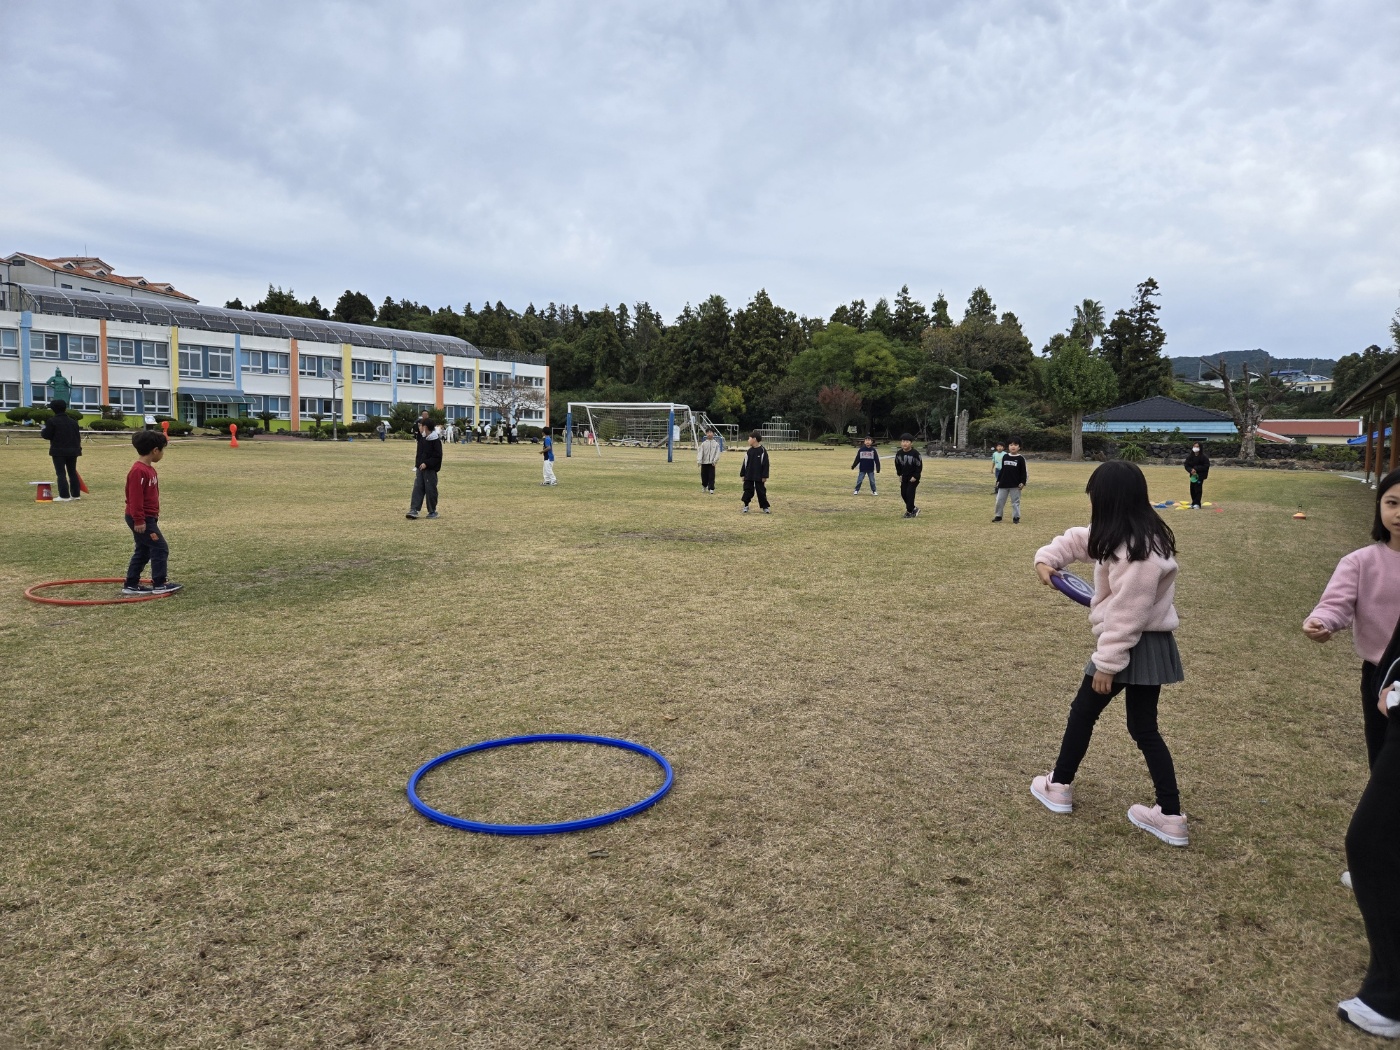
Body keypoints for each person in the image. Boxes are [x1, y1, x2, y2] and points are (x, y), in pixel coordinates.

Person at [1029, 460, 1187, 846]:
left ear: (1109, 501)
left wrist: (1108, 664)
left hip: (1131, 644)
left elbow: (1127, 613)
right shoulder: (1130, 534)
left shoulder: (1139, 552)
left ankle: (1060, 786)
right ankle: (1169, 814)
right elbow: (1081, 539)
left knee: (1088, 713)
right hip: (1143, 645)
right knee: (1142, 727)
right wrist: (1047, 558)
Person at [1305, 470, 1400, 889]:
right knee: (1385, 770)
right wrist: (1321, 622)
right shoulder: (1362, 561)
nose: (1399, 513)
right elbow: (1336, 605)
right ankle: (1377, 863)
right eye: (1393, 502)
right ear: (1380, 507)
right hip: (1381, 681)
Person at [122, 430, 181, 595]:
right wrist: (139, 520)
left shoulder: (149, 469)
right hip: (141, 518)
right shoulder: (138, 471)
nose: (163, 454)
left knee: (144, 549)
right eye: (162, 450)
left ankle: (131, 584)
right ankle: (160, 584)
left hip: (148, 517)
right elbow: (135, 498)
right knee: (160, 548)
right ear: (155, 450)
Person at [39, 399, 83, 501]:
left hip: (58, 451)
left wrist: (43, 430)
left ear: (53, 409)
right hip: (73, 450)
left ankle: (64, 496)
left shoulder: (52, 421)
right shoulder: (73, 422)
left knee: (61, 473)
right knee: (72, 472)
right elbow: (77, 436)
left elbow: (47, 435)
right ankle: (76, 494)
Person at [406, 419, 443, 519]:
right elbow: (419, 454)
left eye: (421, 426)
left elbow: (437, 457)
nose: (419, 428)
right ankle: (414, 509)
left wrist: (426, 464)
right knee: (417, 488)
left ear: (425, 427)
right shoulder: (422, 439)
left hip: (430, 470)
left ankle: (432, 511)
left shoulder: (435, 441)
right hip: (420, 470)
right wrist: (418, 464)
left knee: (430, 490)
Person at [994, 439, 1027, 523]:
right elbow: (1002, 470)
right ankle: (998, 516)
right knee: (999, 501)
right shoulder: (1005, 456)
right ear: (1008, 447)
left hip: (1015, 484)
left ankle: (1016, 517)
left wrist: (1023, 482)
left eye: (1015, 445)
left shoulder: (1021, 458)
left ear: (1019, 447)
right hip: (1003, 483)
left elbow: (1023, 472)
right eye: (1011, 445)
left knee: (1015, 502)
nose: (1013, 447)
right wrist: (998, 480)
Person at [739, 430, 770, 514]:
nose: (748, 440)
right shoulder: (749, 451)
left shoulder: (763, 451)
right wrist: (743, 474)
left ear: (754, 439)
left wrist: (764, 476)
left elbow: (766, 464)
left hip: (759, 476)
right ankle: (746, 505)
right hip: (749, 475)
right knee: (748, 490)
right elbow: (745, 463)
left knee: (761, 491)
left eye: (749, 438)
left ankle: (765, 507)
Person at [894, 433, 923, 518]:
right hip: (904, 477)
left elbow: (919, 465)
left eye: (907, 441)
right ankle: (913, 509)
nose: (904, 443)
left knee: (910, 493)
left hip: (913, 477)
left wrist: (916, 476)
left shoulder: (915, 454)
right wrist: (899, 474)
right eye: (903, 441)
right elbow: (897, 464)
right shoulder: (899, 453)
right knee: (903, 493)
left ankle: (909, 511)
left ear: (911, 443)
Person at [1183, 442, 1210, 509]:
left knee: (1198, 489)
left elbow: (1206, 466)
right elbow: (1186, 465)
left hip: (1200, 476)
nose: (1195, 448)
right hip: (1193, 476)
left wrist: (1196, 469)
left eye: (1197, 447)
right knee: (1192, 489)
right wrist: (1191, 470)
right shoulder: (1190, 456)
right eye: (1194, 446)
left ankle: (1197, 503)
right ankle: (1193, 502)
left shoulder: (1204, 457)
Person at [697, 428, 722, 493]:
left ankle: (711, 488)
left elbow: (717, 453)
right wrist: (699, 461)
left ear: (713, 434)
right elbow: (700, 452)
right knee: (704, 476)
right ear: (706, 434)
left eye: (711, 432)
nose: (709, 434)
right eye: (708, 432)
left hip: (712, 463)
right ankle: (704, 486)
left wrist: (715, 461)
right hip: (704, 462)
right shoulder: (703, 444)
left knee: (711, 476)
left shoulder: (716, 444)